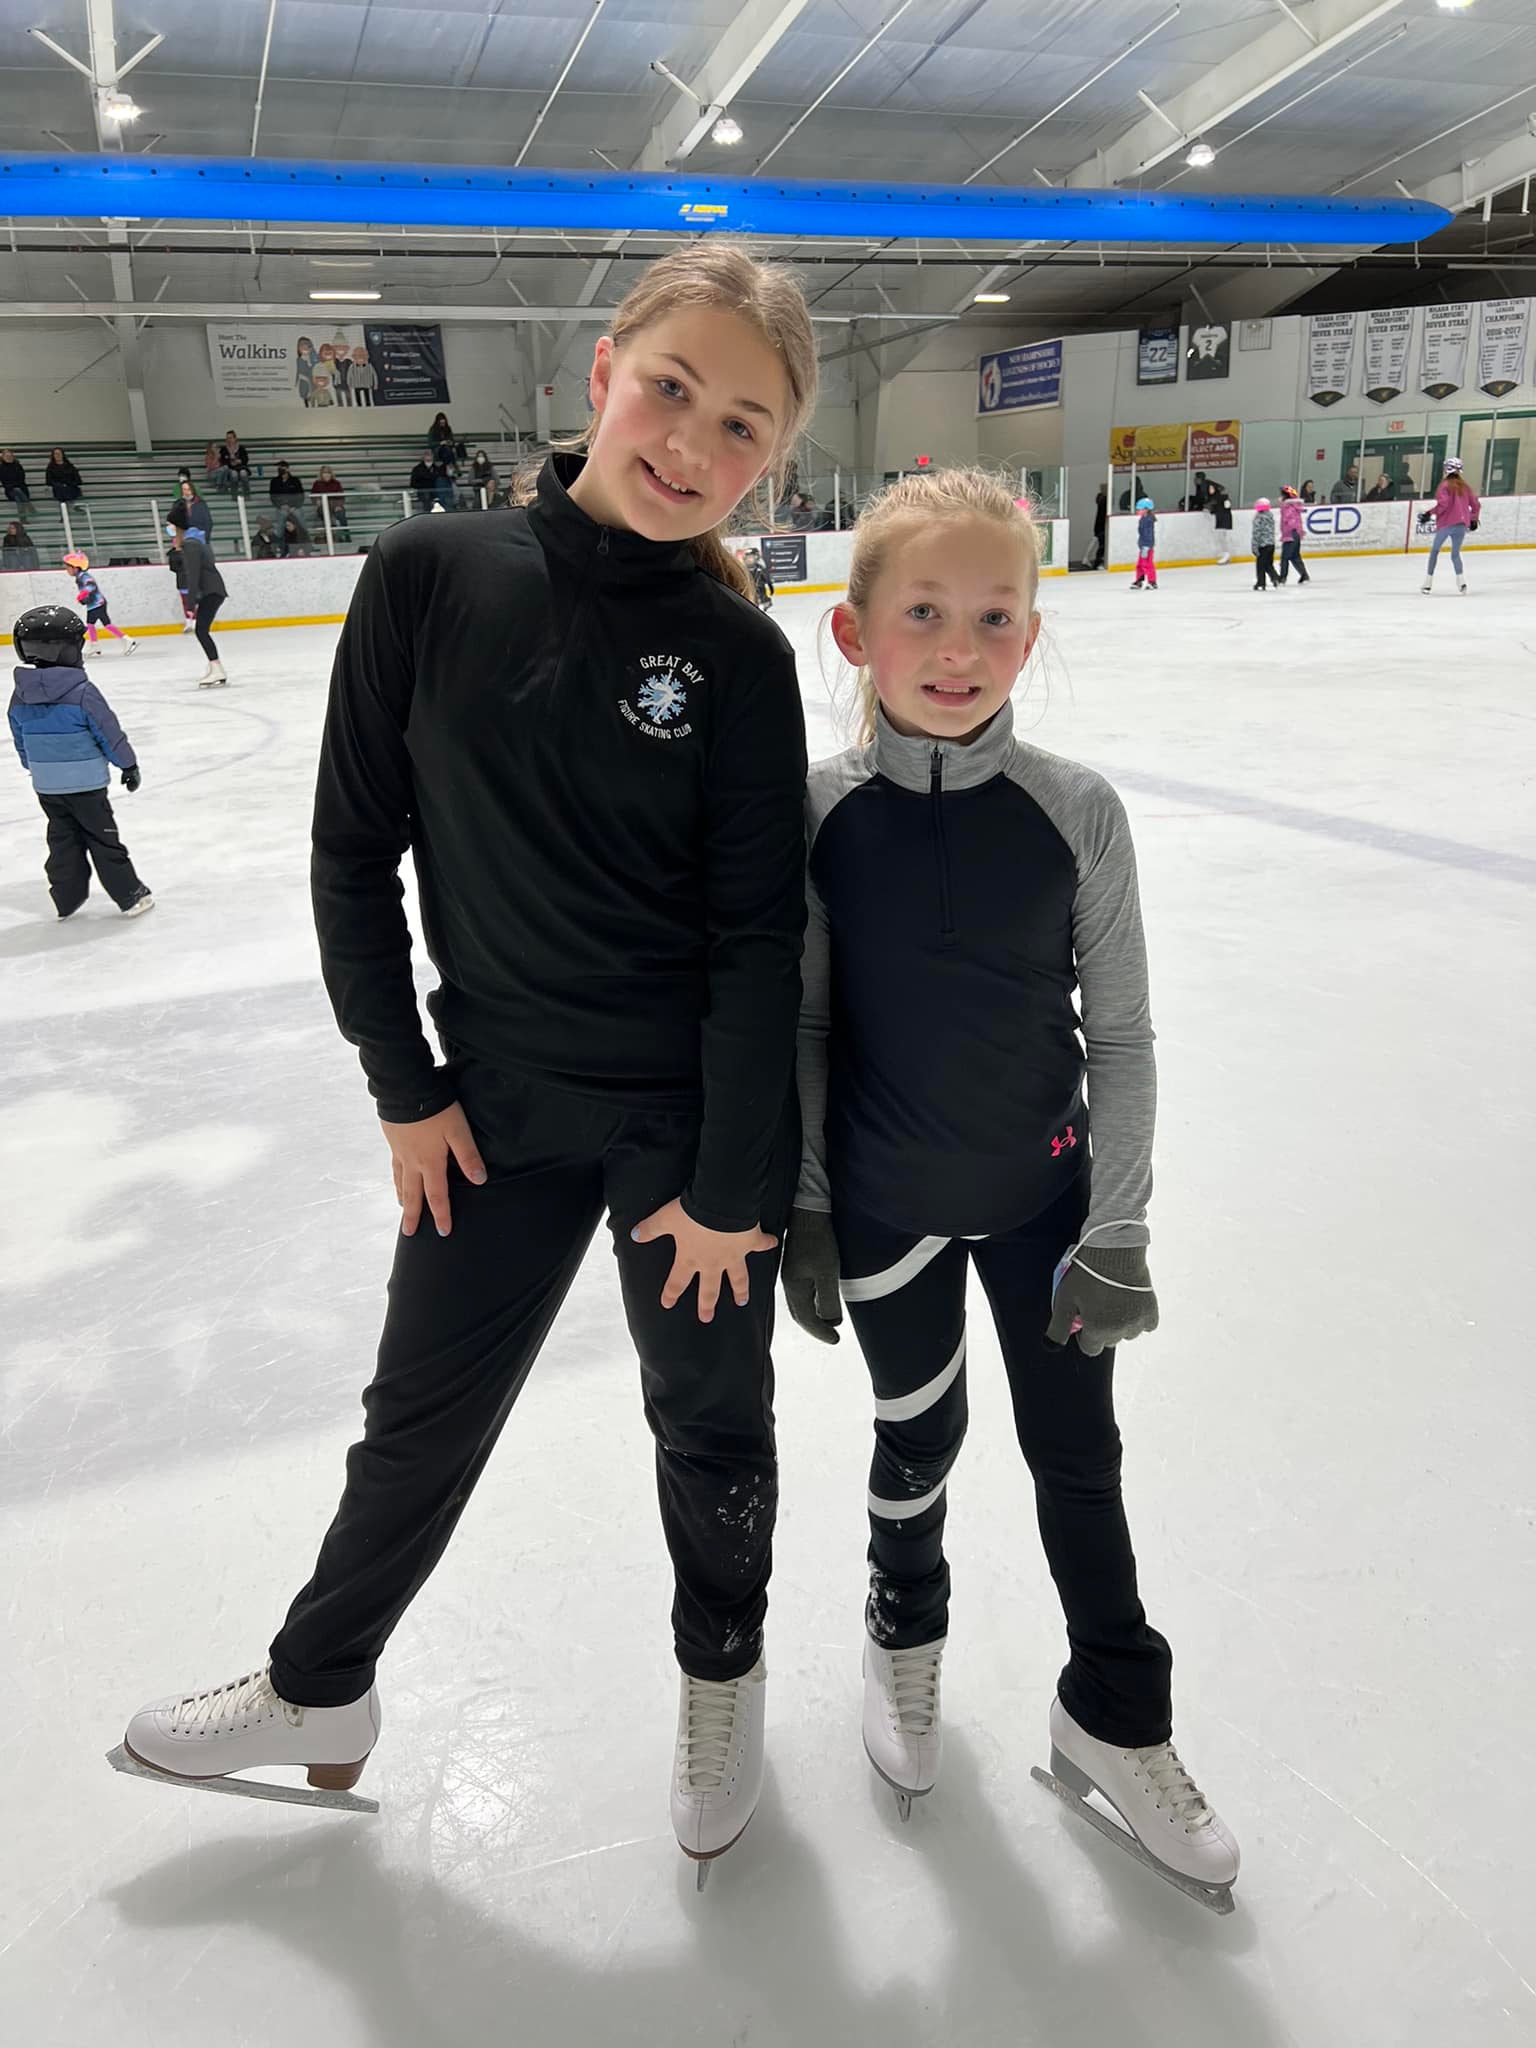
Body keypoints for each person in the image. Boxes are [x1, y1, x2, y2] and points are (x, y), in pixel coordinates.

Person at [117, 241, 820, 1886]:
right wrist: (403, 1082)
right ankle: (317, 1682)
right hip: (491, 1111)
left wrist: (730, 1187)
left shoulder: (738, 660)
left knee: (710, 1421)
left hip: (684, 1129)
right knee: (416, 1420)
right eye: (673, 391)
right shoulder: (431, 574)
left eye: (743, 430)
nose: (693, 446)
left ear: (771, 463)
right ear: (601, 372)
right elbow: (351, 851)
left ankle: (723, 1677)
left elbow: (754, 940)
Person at [779, 465, 1239, 1912]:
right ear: (855, 636)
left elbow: (1125, 1037)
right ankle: (903, 1636)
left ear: (1032, 636)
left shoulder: (1075, 812)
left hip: (1047, 1215)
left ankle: (1113, 1708)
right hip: (885, 1208)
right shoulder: (817, 817)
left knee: (1077, 1466)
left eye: (994, 615)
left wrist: (1118, 1227)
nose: (960, 647)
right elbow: (798, 1023)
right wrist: (803, 1200)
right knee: (918, 1443)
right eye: (924, 611)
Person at [8, 603, 153, 919]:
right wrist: (127, 765)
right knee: (102, 839)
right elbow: (108, 732)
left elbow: (21, 741)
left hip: (47, 786)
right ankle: (130, 895)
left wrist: (34, 768)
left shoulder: (20, 695)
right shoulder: (82, 691)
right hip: (86, 784)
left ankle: (66, 897)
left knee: (62, 839)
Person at [167, 502, 228, 685]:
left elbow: (192, 575)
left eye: (170, 525)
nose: (168, 528)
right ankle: (215, 666)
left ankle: (217, 668)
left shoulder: (190, 545)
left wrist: (190, 602)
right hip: (212, 590)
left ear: (178, 527)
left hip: (211, 591)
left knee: (201, 631)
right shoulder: (191, 542)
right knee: (202, 630)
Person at [1420, 455, 1480, 594]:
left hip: (1447, 523)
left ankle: (1428, 583)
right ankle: (1462, 583)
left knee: (1435, 551)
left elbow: (1443, 505)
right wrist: (1473, 518)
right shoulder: (1465, 487)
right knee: (1455, 554)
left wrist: (1429, 513)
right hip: (1461, 524)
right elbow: (1475, 504)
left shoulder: (1444, 486)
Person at [64, 551, 137, 656]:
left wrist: (84, 593)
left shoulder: (84, 576)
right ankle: (101, 644)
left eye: (68, 568)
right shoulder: (80, 576)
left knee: (96, 624)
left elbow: (91, 585)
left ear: (76, 567)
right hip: (95, 604)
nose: (67, 570)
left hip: (97, 603)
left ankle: (122, 640)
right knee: (99, 624)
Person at [1277, 485, 1309, 585]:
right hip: (1296, 533)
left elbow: (1289, 521)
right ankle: (1304, 574)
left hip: (1290, 534)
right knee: (1295, 556)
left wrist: (1288, 533)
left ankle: (1282, 577)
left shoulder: (1288, 507)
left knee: (1285, 557)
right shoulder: (1293, 506)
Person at [310, 465, 349, 540]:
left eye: (328, 473)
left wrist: (338, 505)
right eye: (324, 473)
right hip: (323, 506)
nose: (327, 474)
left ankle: (347, 535)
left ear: (331, 474)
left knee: (341, 514)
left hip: (335, 505)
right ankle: (332, 536)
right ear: (321, 474)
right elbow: (313, 496)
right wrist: (317, 501)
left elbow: (342, 496)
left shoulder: (336, 483)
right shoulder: (317, 483)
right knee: (326, 513)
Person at [1251, 498, 1280, 589]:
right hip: (1271, 544)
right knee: (1268, 564)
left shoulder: (1258, 517)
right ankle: (1275, 577)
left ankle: (1261, 582)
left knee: (1260, 565)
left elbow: (1257, 532)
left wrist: (1254, 546)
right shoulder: (1270, 516)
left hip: (1262, 545)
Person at [1130, 495, 1157, 590]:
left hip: (1147, 547)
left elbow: (1149, 535)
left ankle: (1152, 582)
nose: (1137, 511)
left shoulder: (1148, 520)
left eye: (1139, 509)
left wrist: (1146, 546)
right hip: (1143, 546)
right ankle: (1139, 580)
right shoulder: (1143, 519)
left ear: (1146, 509)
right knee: (1140, 565)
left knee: (1147, 564)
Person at [178, 475, 215, 540]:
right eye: (184, 490)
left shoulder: (201, 504)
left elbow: (208, 522)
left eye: (188, 489)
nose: (187, 492)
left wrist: (205, 537)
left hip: (200, 537)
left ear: (192, 490)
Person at [2, 447, 34, 517]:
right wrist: (14, 485)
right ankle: (30, 506)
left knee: (18, 498)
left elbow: (22, 477)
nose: (9, 457)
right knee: (17, 491)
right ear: (3, 457)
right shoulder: (1, 468)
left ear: (13, 456)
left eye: (10, 456)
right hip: (9, 490)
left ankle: (23, 519)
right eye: (7, 456)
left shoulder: (18, 465)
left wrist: (16, 485)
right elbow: (4, 480)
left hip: (21, 488)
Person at [218, 430, 252, 496]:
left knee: (243, 473)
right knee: (234, 474)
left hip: (241, 467)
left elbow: (246, 459)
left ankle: (247, 493)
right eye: (227, 438)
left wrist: (240, 461)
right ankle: (234, 494)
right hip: (230, 468)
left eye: (230, 438)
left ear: (235, 438)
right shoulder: (223, 449)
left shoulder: (241, 448)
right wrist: (230, 463)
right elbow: (222, 461)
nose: (228, 440)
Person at [1210, 483, 1234, 564]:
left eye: (1212, 488)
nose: (1210, 490)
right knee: (1220, 537)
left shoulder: (1223, 497)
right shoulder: (1213, 498)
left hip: (1224, 518)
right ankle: (1225, 553)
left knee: (1223, 537)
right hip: (1220, 518)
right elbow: (1213, 510)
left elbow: (1227, 506)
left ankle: (1226, 554)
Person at [745, 544, 774, 611]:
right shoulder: (744, 568)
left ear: (756, 557)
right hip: (750, 586)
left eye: (751, 557)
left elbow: (766, 577)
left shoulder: (760, 568)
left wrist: (770, 585)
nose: (749, 559)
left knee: (761, 590)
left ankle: (766, 602)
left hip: (759, 585)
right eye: (748, 557)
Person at [1085, 484, 1107, 569]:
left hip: (1098, 523)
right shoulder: (1104, 499)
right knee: (1101, 544)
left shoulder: (1100, 497)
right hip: (1101, 524)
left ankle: (1086, 558)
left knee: (1095, 540)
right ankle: (1098, 563)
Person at [295, 336, 316, 408]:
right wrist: (296, 381)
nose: (305, 348)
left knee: (313, 396)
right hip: (303, 381)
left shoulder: (314, 359)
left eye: (308, 346)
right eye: (302, 346)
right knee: (305, 395)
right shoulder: (299, 359)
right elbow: (298, 370)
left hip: (313, 380)